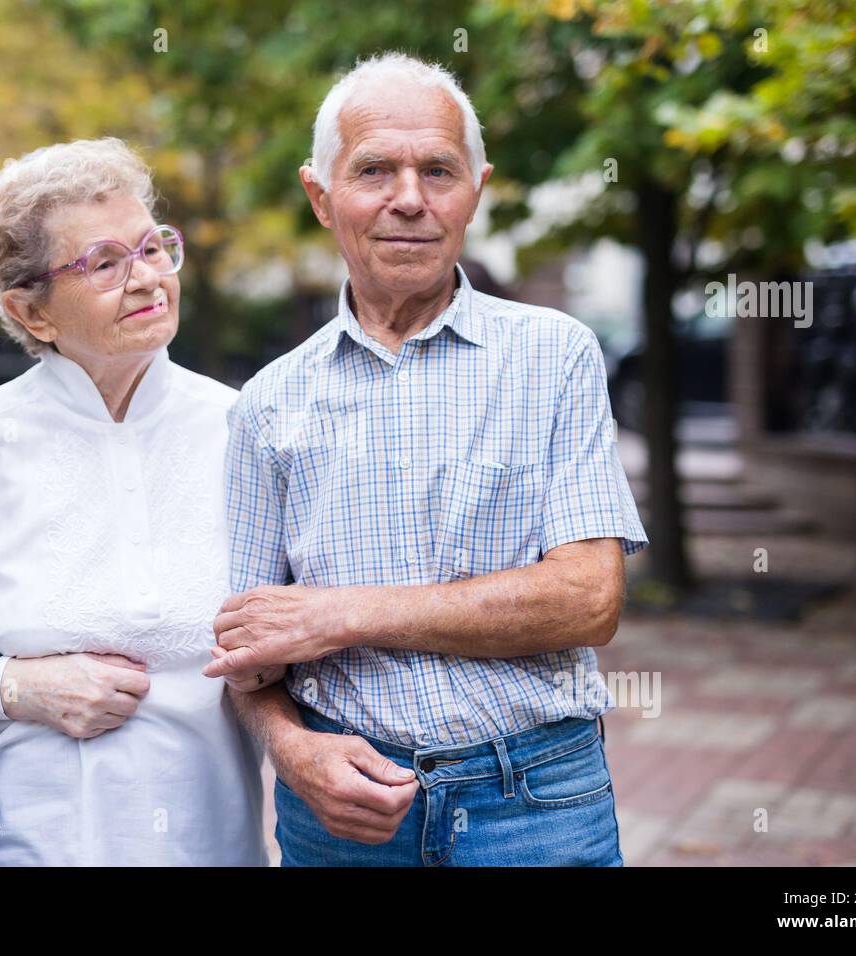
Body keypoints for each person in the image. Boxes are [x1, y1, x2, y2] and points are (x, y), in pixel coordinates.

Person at [207, 53, 649, 866]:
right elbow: (248, 654)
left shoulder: (555, 355)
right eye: (374, 169)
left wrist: (339, 614)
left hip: (536, 806)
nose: (408, 199)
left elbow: (588, 601)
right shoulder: (267, 404)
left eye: (437, 171)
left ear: (474, 191)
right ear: (320, 195)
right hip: (342, 810)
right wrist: (295, 755)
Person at [0, 138, 268, 866]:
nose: (146, 278)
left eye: (153, 248)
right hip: (29, 844)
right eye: (103, 263)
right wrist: (16, 687)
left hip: (211, 843)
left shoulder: (244, 429)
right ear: (32, 313)